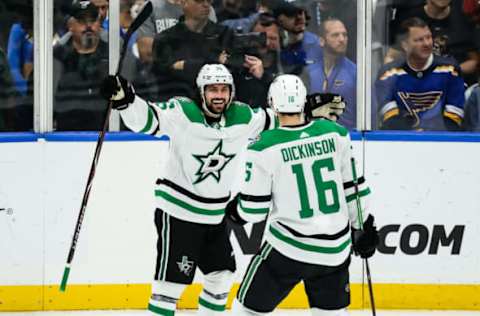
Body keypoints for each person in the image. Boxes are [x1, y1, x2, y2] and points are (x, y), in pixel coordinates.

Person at [100, 63, 278, 316]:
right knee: (169, 288)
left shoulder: (243, 116)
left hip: (215, 218)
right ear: (201, 91)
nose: (219, 95)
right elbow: (148, 119)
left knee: (221, 277)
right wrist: (126, 100)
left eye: (224, 89)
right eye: (212, 89)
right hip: (178, 214)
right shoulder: (182, 112)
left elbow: (279, 119)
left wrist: (309, 108)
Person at [225, 74, 377, 316]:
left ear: (272, 104)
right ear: (303, 101)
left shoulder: (263, 146)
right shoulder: (335, 133)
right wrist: (363, 227)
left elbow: (253, 210)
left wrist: (234, 212)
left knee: (247, 310)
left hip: (288, 251)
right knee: (332, 313)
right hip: (334, 251)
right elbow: (354, 189)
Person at [151, 0, 264, 101]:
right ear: (184, 2)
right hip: (181, 108)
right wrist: (216, 61)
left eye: (208, 0)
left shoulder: (225, 35)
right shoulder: (166, 39)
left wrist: (256, 72)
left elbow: (235, 74)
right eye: (199, 1)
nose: (206, 4)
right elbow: (166, 75)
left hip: (221, 105)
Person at [375, 17, 465, 131]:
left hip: (441, 142)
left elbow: (454, 118)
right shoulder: (388, 74)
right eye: (419, 40)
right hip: (401, 142)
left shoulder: (450, 70)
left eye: (428, 37)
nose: (427, 43)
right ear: (405, 45)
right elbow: (389, 118)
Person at [384, 0, 479, 86]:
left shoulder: (462, 19)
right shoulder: (411, 18)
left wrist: (448, 71)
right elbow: (392, 56)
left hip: (455, 84)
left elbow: (474, 61)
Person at [53, 0, 109, 130]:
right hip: (65, 137)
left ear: (99, 23)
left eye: (93, 20)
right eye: (82, 21)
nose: (88, 26)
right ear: (70, 25)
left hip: (107, 135)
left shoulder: (112, 54)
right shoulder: (57, 57)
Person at [308, 18, 356, 129]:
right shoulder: (310, 72)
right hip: (315, 139)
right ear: (321, 41)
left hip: (348, 140)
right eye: (335, 35)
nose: (342, 39)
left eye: (345, 35)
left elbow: (371, 116)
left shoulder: (356, 73)